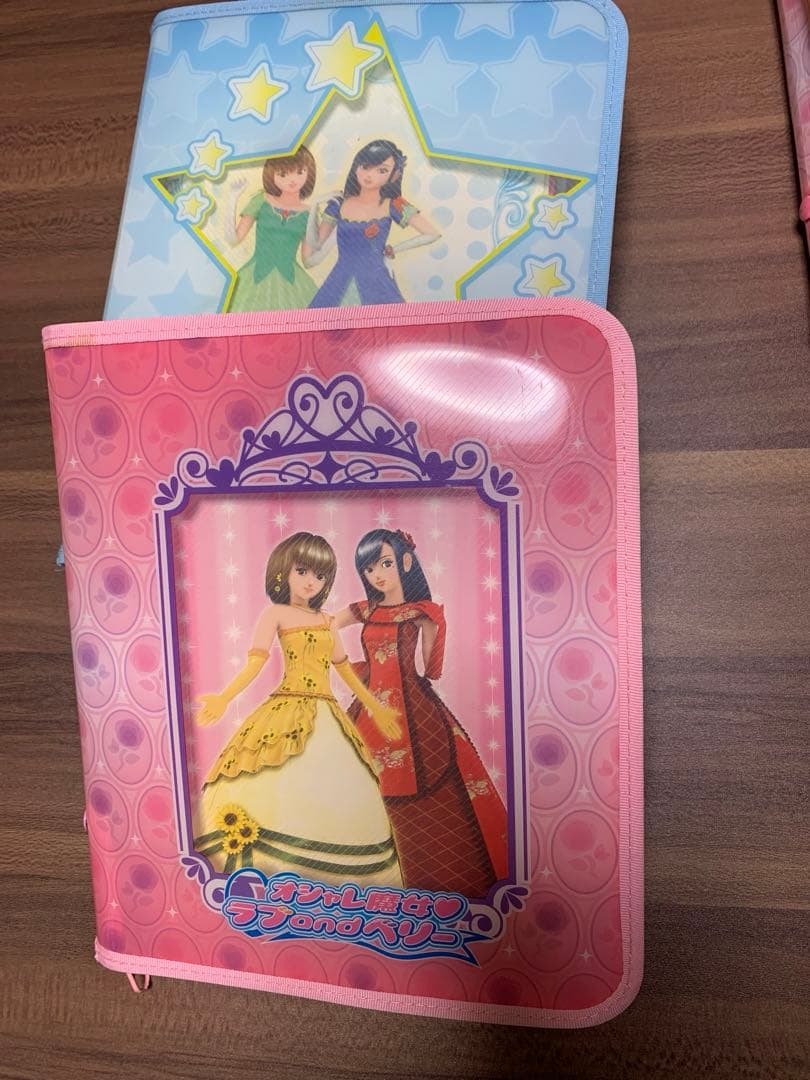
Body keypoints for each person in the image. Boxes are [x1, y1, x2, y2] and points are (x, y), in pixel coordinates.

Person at [193, 531, 402, 886]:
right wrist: (224, 698)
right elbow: (255, 664)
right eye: (302, 571)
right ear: (283, 571)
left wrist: (375, 708)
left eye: (319, 575)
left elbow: (344, 670)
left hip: (327, 713)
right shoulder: (275, 614)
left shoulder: (327, 621)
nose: (311, 582)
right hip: (286, 709)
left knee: (342, 785)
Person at [333, 529, 508, 898]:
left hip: (414, 706)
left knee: (431, 773)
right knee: (358, 772)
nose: (377, 575)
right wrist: (346, 665)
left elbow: (432, 670)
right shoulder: (365, 609)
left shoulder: (421, 613)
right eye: (369, 569)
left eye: (385, 563)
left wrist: (434, 628)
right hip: (370, 703)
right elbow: (329, 625)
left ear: (405, 561)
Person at [307, 139, 440, 307]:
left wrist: (395, 249)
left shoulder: (394, 204)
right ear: (356, 167)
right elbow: (316, 244)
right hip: (339, 280)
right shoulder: (338, 203)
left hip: (377, 282)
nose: (370, 175)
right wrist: (314, 206)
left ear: (394, 175)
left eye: (381, 170)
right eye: (365, 167)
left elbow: (432, 233)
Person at [226, 147, 328, 312]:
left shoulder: (309, 213)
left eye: (299, 172)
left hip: (292, 281)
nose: (292, 179)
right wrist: (232, 198)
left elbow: (307, 260)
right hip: (254, 276)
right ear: (271, 175)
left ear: (309, 172)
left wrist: (333, 234)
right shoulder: (261, 200)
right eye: (283, 174)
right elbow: (233, 240)